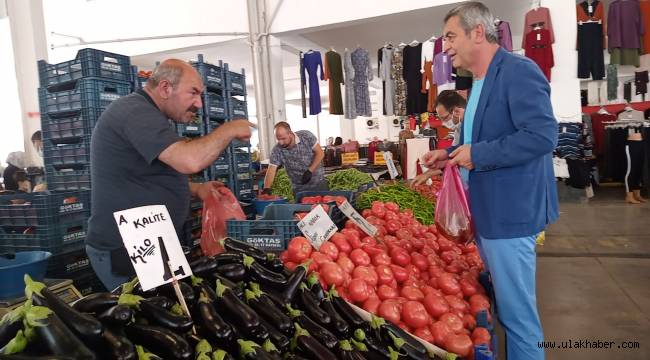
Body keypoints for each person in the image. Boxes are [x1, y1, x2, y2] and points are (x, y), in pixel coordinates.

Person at [422, 3, 559, 359]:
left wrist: (478, 154)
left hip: (509, 216)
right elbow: (479, 136)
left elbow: (543, 136)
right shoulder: (478, 82)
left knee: (518, 318)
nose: (445, 46)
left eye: (451, 36)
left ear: (477, 32)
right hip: (488, 213)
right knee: (510, 308)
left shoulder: (518, 71)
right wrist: (449, 153)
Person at [86, 59, 254, 290]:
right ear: (165, 88)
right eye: (193, 93)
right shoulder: (135, 112)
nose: (199, 103)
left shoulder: (150, 115)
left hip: (150, 240)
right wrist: (230, 128)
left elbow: (147, 176)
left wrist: (196, 189)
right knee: (145, 317)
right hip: (127, 247)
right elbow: (189, 160)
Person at [413, 90, 467, 185]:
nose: (444, 123)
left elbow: (458, 158)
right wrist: (427, 174)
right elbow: (453, 157)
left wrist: (428, 174)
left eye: (445, 118)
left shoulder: (471, 128)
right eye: (441, 119)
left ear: (457, 111)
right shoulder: (459, 128)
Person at [262, 122, 327, 196]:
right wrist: (266, 188)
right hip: (298, 188)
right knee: (301, 207)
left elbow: (320, 153)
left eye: (283, 138)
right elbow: (271, 169)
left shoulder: (306, 136)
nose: (281, 143)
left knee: (321, 206)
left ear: (290, 133)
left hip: (318, 183)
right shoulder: (277, 150)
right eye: (278, 139)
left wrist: (310, 170)